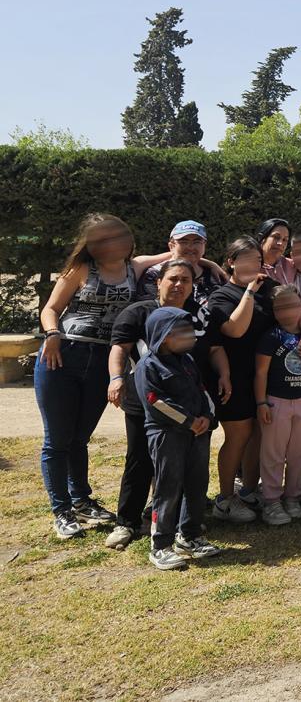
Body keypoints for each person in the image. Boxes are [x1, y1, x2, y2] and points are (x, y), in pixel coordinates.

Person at [36, 213, 178, 539]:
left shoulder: (136, 267)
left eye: (119, 235)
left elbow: (180, 254)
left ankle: (81, 499)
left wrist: (214, 267)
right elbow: (50, 308)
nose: (114, 242)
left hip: (102, 359)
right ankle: (62, 510)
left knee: (79, 437)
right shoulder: (81, 269)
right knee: (57, 440)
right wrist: (53, 333)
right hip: (63, 355)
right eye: (105, 237)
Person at [104, 259, 230, 550]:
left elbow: (213, 348)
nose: (178, 284)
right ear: (158, 282)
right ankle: (128, 522)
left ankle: (187, 528)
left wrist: (223, 376)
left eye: (185, 280)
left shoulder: (197, 315)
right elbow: (119, 348)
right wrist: (115, 379)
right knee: (140, 461)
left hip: (192, 401)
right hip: (149, 403)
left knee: (190, 470)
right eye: (173, 278)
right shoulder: (138, 312)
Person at [134, 306, 223, 570]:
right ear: (162, 335)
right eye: (180, 331)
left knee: (197, 484)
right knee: (168, 487)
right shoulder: (148, 366)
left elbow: (202, 391)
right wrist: (188, 420)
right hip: (167, 435)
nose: (189, 336)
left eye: (189, 330)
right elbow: (155, 401)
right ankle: (160, 544)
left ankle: (190, 535)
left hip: (198, 434)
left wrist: (207, 417)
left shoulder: (188, 361)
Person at [202, 237, 275, 524]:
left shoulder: (267, 289)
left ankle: (247, 490)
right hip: (232, 376)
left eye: (257, 259)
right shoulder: (222, 296)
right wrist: (248, 292)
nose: (253, 264)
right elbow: (234, 330)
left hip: (263, 375)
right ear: (231, 261)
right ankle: (224, 499)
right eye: (246, 258)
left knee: (258, 433)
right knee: (239, 435)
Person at [255, 285, 301, 525]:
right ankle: (272, 500)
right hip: (277, 401)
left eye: (292, 305)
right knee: (273, 452)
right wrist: (262, 402)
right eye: (280, 307)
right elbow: (261, 372)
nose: (286, 311)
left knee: (299, 452)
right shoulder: (271, 336)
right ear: (273, 311)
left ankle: (293, 495)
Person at [136, 220, 227, 305]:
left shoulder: (215, 275)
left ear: (204, 246)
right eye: (183, 242)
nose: (190, 247)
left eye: (197, 242)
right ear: (171, 246)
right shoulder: (154, 274)